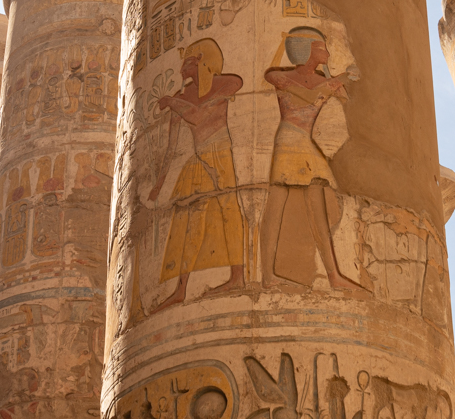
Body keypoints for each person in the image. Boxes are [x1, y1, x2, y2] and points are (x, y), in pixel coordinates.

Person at [260, 27, 366, 293]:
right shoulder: (282, 76)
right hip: (288, 139)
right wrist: (338, 78)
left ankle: (334, 276)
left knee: (317, 209)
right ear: (305, 49)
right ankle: (268, 275)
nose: (327, 52)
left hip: (305, 142)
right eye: (321, 47)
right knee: (276, 204)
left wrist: (335, 80)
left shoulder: (322, 79)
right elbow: (306, 95)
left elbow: (342, 98)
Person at [152, 37, 247, 309]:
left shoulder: (225, 83)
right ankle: (180, 289)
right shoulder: (181, 98)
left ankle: (237, 277)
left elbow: (198, 116)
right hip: (198, 158)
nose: (182, 69)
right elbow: (170, 148)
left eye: (188, 62)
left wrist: (172, 101)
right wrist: (158, 185)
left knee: (230, 212)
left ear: (202, 61)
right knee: (190, 221)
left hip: (220, 150)